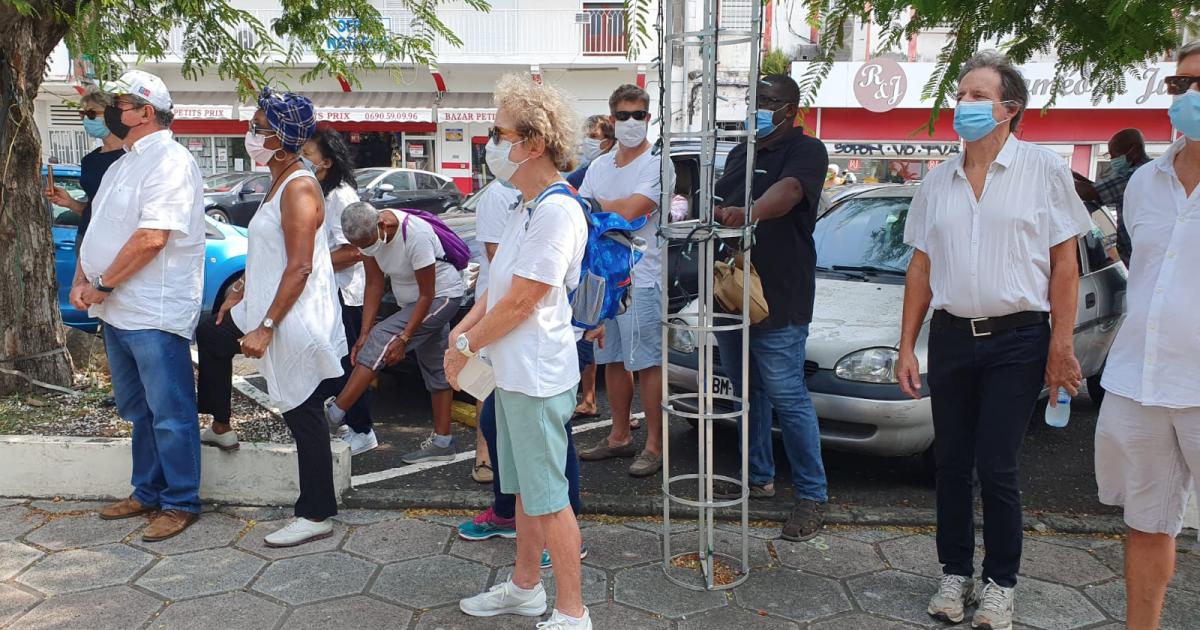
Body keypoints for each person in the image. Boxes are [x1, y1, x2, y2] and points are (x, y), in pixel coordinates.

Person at [894, 51, 1091, 629]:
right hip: (953, 336)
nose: (965, 104)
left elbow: (1064, 266)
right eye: (961, 93)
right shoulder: (937, 181)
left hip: (1019, 339)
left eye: (979, 95)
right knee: (951, 463)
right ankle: (954, 572)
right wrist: (907, 345)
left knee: (997, 464)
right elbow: (920, 270)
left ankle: (1001, 580)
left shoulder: (1044, 169)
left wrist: (1061, 344)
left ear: (1010, 109)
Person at [449, 73, 591, 629]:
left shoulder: (557, 211)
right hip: (512, 373)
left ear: (533, 143)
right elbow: (495, 290)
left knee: (549, 494)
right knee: (528, 490)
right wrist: (462, 335)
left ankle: (572, 612)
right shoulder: (525, 205)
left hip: (534, 375)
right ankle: (526, 587)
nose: (491, 142)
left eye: (498, 131)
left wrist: (463, 346)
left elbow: (524, 302)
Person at [196, 87, 347, 548]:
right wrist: (239, 291)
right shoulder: (279, 178)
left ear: (282, 137)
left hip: (293, 319)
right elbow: (270, 253)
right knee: (211, 329)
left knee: (303, 412)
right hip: (263, 306)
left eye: (259, 128)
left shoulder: (299, 187)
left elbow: (300, 265)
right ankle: (221, 426)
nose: (250, 134)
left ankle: (317, 511)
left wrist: (266, 326)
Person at [1093, 41, 1200, 630]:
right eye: (1180, 84)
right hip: (1140, 381)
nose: (1189, 95)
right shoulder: (1143, 184)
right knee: (1146, 521)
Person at [76, 70, 204, 542]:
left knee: (170, 411)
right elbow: (98, 227)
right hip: (115, 308)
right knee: (138, 408)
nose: (112, 111)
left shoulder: (170, 161)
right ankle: (147, 490)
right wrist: (82, 278)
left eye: (121, 104)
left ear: (146, 112)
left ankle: (181, 501)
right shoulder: (123, 162)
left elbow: (153, 237)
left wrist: (103, 283)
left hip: (153, 310)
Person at [707, 75, 830, 542]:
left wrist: (748, 213)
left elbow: (791, 193)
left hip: (779, 296)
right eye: (752, 100)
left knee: (787, 395)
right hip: (729, 292)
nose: (757, 108)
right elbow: (718, 201)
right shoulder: (741, 151)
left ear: (791, 109)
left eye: (768, 101)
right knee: (744, 393)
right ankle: (756, 477)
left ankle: (812, 495)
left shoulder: (807, 150)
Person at [577, 84, 673, 478]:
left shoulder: (657, 162)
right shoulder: (600, 166)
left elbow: (636, 210)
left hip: (642, 277)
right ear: (612, 119)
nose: (631, 122)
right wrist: (600, 209)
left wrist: (597, 207)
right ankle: (618, 437)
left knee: (647, 363)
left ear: (648, 118)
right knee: (612, 360)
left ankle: (655, 445)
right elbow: (576, 211)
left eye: (639, 115)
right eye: (623, 115)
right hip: (602, 278)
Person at [324, 201, 465, 464]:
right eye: (359, 246)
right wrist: (364, 332)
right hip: (414, 303)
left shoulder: (416, 235)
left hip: (442, 298)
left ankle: (334, 412)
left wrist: (403, 337)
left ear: (382, 224)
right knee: (435, 368)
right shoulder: (369, 239)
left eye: (366, 244)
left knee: (382, 337)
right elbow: (375, 284)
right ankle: (444, 443)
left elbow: (427, 294)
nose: (364, 250)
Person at [300, 127, 375, 456]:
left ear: (326, 162)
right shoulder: (316, 190)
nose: (302, 159)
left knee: (346, 365)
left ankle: (363, 430)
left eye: (308, 154)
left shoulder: (339, 195)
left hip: (345, 295)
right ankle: (347, 421)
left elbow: (354, 251)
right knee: (328, 362)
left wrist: (310, 263)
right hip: (325, 295)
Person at [468, 179, 521, 483]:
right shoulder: (496, 196)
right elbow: (495, 256)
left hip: (523, 306)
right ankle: (483, 454)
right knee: (486, 382)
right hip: (494, 305)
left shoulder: (544, 196)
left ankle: (512, 459)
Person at [46, 86, 126, 250]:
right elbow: (93, 209)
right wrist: (70, 202)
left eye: (92, 114)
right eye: (83, 115)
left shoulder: (131, 158)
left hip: (118, 243)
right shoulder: (89, 160)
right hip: (86, 237)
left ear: (113, 115)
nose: (86, 120)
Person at [1073, 128, 1150, 266]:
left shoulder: (1137, 175)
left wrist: (1057, 174)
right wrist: (1072, 174)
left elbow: (1090, 192)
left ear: (1135, 150)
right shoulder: (1145, 170)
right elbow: (1098, 190)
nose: (1113, 160)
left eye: (1116, 155)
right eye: (1111, 155)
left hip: (1147, 263)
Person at [566, 114, 616, 189]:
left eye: (593, 136)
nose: (587, 140)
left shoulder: (621, 174)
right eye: (585, 136)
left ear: (608, 142)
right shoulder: (576, 179)